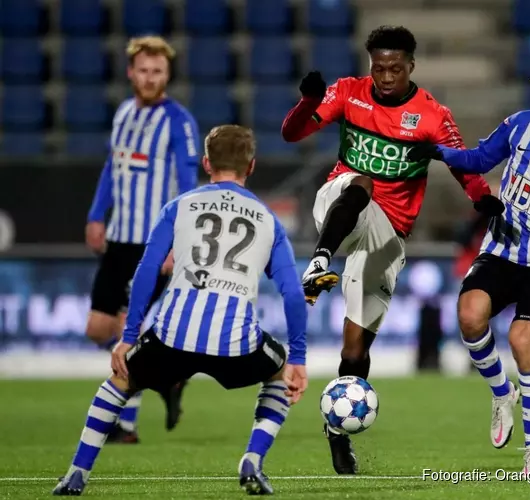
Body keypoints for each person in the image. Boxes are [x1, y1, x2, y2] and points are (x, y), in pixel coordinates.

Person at [281, 25, 500, 475]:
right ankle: (319, 262)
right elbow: (292, 134)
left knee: (356, 348)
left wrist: (483, 202)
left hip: (390, 231)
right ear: (370, 65)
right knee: (360, 180)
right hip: (342, 202)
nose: (385, 76)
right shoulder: (347, 93)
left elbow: (464, 168)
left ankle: (337, 433)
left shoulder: (433, 116)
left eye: (395, 68)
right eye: (378, 67)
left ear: (411, 67)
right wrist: (307, 101)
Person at [53, 125, 308, 496]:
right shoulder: (269, 221)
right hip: (235, 343)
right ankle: (252, 461)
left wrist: (127, 338)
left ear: (206, 163)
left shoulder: (179, 207)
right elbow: (293, 293)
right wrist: (298, 357)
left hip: (172, 336)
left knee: (120, 383)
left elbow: (146, 271)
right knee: (279, 374)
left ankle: (76, 474)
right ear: (251, 167)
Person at [407, 57, 530, 475]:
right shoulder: (521, 125)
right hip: (502, 248)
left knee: (522, 340)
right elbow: (481, 159)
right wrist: (437, 152)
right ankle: (503, 393)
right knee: (469, 317)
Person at [83, 36, 200, 442]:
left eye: (158, 72)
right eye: (144, 71)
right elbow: (110, 168)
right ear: (132, 73)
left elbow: (188, 186)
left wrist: (176, 243)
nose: (150, 78)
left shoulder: (179, 121)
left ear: (167, 76)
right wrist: (97, 214)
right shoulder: (123, 114)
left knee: (122, 328)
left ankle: (124, 423)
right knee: (98, 329)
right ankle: (165, 378)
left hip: (153, 244)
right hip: (118, 239)